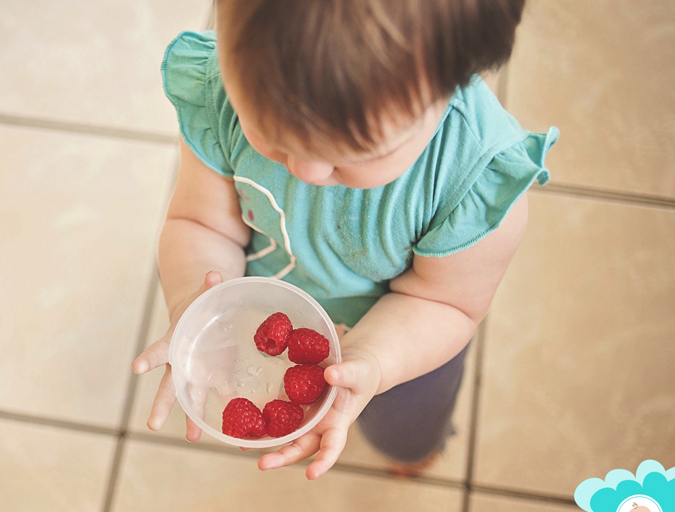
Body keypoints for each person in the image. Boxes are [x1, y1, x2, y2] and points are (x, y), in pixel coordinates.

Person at [131, 0, 558, 480]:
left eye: (351, 155)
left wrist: (373, 361)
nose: (306, 170)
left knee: (406, 426)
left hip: (404, 339)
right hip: (273, 309)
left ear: (454, 81)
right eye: (271, 134)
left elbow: (447, 303)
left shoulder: (472, 179)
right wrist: (196, 307)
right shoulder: (224, 94)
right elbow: (203, 224)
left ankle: (412, 451)